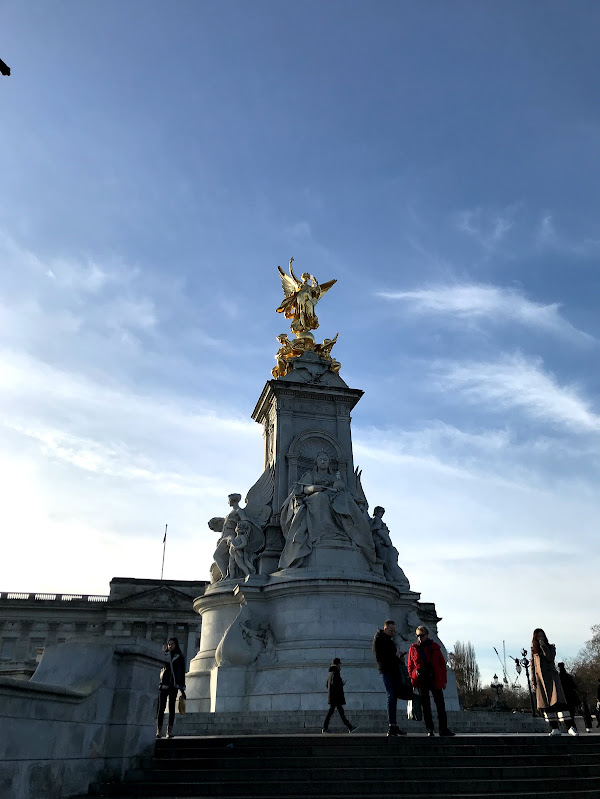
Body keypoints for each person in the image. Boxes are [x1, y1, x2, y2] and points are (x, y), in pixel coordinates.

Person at [278, 451, 375, 570]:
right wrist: (312, 488)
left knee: (345, 499)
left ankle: (346, 531)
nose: (323, 461)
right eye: (321, 460)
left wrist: (339, 484)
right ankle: (324, 533)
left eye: (325, 460)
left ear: (329, 463)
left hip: (333, 497)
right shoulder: (310, 475)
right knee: (320, 497)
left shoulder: (333, 477)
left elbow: (342, 489)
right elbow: (301, 489)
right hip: (314, 498)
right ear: (316, 462)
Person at [408, 625, 454, 737]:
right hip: (421, 679)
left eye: (422, 635)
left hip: (434, 677)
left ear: (427, 635)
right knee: (426, 706)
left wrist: (443, 680)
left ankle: (443, 729)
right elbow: (410, 666)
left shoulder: (435, 647)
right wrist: (414, 676)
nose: (420, 638)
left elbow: (442, 665)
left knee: (440, 705)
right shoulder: (413, 649)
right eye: (418, 636)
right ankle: (430, 729)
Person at [530, 629, 577, 736]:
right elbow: (532, 666)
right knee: (546, 705)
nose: (540, 638)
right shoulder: (534, 651)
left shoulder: (551, 647)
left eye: (542, 636)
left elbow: (550, 658)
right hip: (540, 680)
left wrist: (543, 646)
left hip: (551, 678)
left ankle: (570, 726)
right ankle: (554, 727)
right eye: (538, 637)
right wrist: (533, 681)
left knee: (559, 702)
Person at [372, 620, 410, 737]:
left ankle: (393, 725)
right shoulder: (379, 640)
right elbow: (381, 657)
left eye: (394, 631)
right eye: (391, 630)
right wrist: (395, 657)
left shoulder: (389, 641)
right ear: (385, 629)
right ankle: (391, 726)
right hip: (387, 671)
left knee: (394, 697)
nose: (393, 633)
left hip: (393, 670)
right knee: (391, 695)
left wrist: (399, 658)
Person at [157, 637, 186, 739]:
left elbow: (182, 672)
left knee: (172, 709)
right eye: (169, 644)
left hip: (174, 685)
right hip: (164, 684)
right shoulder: (164, 655)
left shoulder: (180, 657)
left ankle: (169, 731)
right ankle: (159, 730)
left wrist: (182, 686)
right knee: (161, 708)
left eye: (172, 644)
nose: (170, 646)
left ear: (176, 645)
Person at [321, 658, 358, 734]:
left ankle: (349, 727)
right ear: (337, 664)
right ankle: (349, 727)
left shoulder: (330, 673)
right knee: (338, 712)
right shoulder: (336, 672)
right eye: (339, 664)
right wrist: (341, 684)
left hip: (333, 696)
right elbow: (335, 684)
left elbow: (327, 685)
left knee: (335, 712)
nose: (340, 665)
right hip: (336, 697)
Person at [557, 662, 580, 735]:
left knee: (565, 713)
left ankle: (569, 727)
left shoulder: (558, 677)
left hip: (564, 698)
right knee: (571, 713)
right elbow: (574, 686)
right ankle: (573, 727)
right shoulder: (568, 676)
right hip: (571, 697)